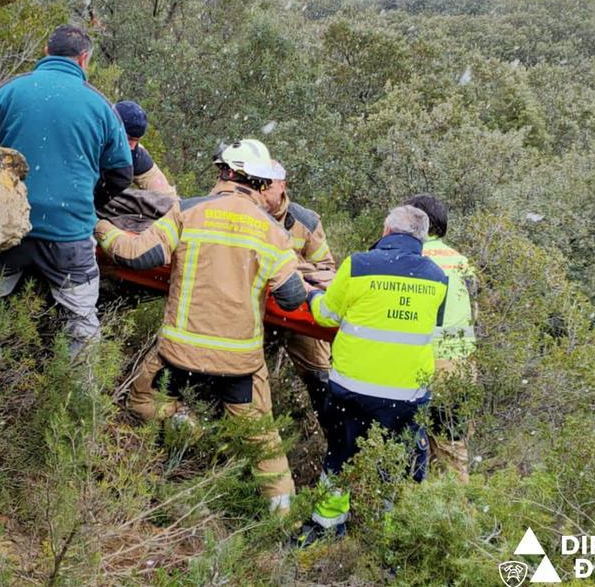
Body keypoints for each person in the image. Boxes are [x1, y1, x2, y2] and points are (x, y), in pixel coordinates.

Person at [95, 138, 309, 511]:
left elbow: (138, 255)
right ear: (261, 184)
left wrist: (101, 229)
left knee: (142, 400)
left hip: (179, 356)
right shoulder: (275, 234)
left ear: (224, 173)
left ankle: (185, 428)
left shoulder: (188, 211)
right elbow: (292, 298)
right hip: (239, 365)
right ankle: (282, 514)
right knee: (264, 442)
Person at [299, 206, 449, 544]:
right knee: (400, 465)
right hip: (407, 396)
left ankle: (326, 528)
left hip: (353, 390)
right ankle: (394, 534)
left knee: (340, 456)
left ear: (386, 230)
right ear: (423, 238)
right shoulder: (438, 277)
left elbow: (325, 316)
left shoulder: (359, 264)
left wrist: (313, 294)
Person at [0, 25, 132, 351]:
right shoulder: (101, 106)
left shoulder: (9, 91)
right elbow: (121, 173)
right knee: (81, 320)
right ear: (84, 59)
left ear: (46, 52)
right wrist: (88, 202)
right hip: (69, 234)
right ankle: (82, 392)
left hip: (11, 229)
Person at [407, 194, 478, 483]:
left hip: (423, 361)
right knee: (453, 448)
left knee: (412, 446)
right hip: (461, 366)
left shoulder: (413, 259)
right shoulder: (462, 262)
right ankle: (458, 513)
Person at [261, 162, 336, 425]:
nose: (262, 191)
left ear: (282, 185)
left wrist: (290, 265)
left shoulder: (305, 221)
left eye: (267, 185)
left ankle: (332, 438)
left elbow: (326, 270)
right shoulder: (248, 212)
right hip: (259, 307)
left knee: (320, 377)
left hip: (299, 308)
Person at [113, 100, 176, 195]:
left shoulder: (136, 155)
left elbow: (165, 194)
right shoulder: (88, 141)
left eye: (136, 140)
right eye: (129, 139)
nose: (132, 147)